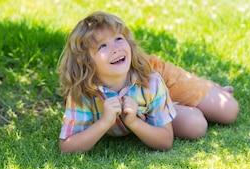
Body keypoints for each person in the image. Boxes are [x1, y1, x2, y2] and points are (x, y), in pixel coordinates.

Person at [57, 11, 239, 153]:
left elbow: (165, 142)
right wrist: (104, 123)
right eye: (102, 46)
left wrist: (135, 122)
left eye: (119, 39)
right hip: (148, 96)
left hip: (148, 76)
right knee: (195, 126)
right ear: (86, 62)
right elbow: (67, 147)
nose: (115, 49)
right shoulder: (82, 91)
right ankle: (165, 107)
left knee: (228, 110)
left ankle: (211, 88)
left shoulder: (152, 80)